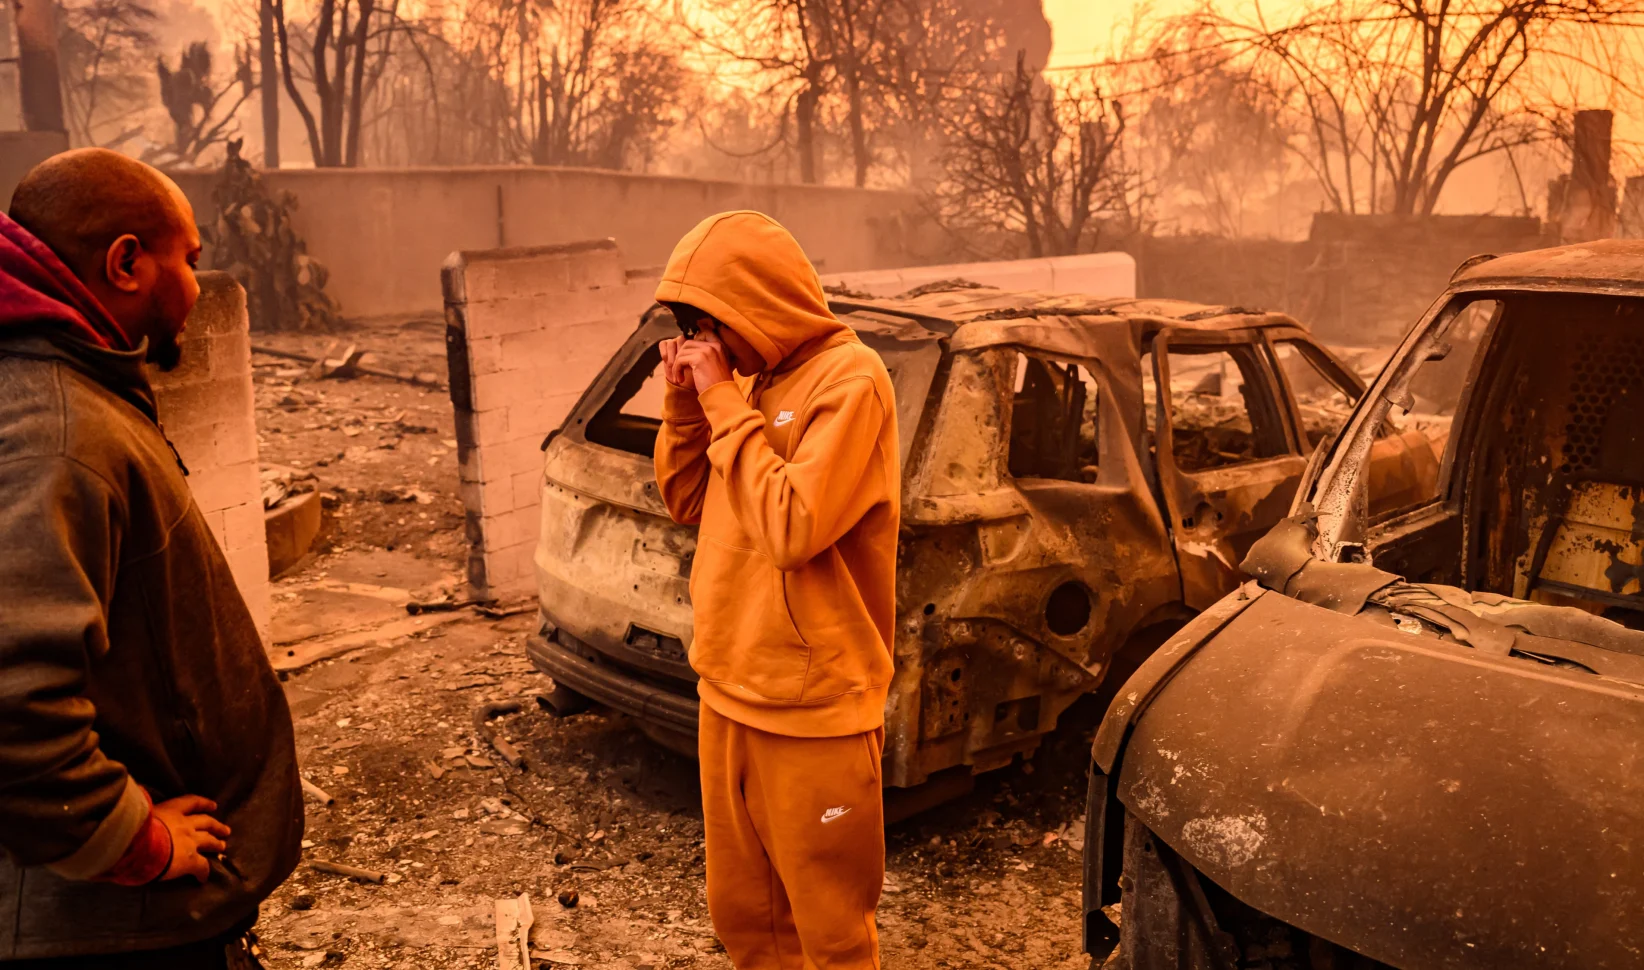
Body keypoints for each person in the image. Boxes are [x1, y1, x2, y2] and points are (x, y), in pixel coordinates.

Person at [0, 149, 302, 967]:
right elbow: (13, 707)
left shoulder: (66, 392)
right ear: (127, 262)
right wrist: (134, 842)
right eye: (190, 261)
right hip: (105, 929)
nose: (198, 289)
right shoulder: (58, 437)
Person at [652, 210, 899, 969]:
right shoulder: (752, 384)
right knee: (746, 921)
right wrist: (687, 405)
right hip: (728, 690)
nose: (705, 343)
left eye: (710, 323)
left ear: (760, 303)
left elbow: (793, 527)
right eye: (691, 327)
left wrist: (725, 401)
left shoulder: (853, 382)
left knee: (828, 933)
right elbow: (687, 500)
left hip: (815, 712)